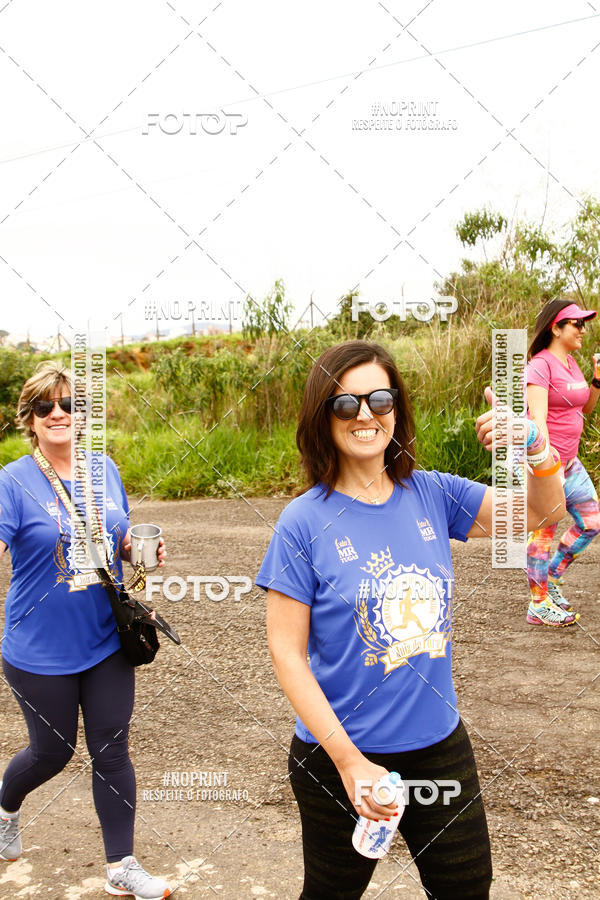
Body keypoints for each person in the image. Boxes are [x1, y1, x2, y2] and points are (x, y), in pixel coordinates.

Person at [256, 340, 565, 900]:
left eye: (379, 399)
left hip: (438, 747)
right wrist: (350, 764)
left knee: (466, 888)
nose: (365, 415)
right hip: (339, 756)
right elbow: (286, 652)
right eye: (345, 404)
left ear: (396, 408)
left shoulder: (433, 493)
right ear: (322, 417)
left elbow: (543, 511)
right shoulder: (301, 522)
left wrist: (537, 445)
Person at [0, 362, 171, 900]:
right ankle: (5, 806)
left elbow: (120, 546)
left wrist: (138, 552)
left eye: (70, 405)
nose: (58, 414)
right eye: (45, 406)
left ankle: (122, 865)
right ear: (29, 418)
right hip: (38, 647)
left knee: (112, 750)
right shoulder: (12, 481)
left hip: (105, 642)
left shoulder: (105, 468)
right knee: (51, 754)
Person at [525, 299, 600, 626]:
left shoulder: (570, 363)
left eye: (584, 324)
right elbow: (537, 418)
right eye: (576, 323)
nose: (582, 330)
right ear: (555, 328)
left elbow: (584, 409)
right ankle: (538, 604)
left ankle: (552, 578)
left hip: (570, 462)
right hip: (545, 464)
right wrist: (546, 464)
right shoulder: (540, 366)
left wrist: (597, 379)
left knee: (592, 521)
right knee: (544, 531)